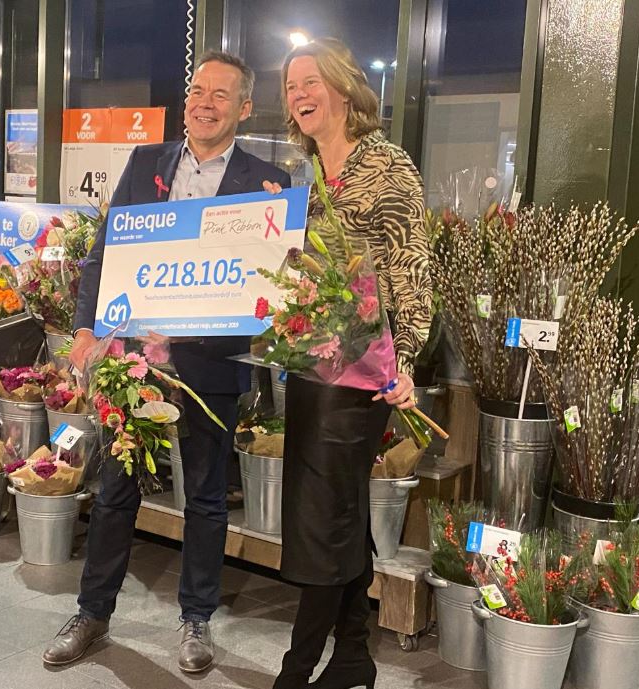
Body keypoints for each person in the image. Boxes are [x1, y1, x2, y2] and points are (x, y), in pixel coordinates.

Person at [42, 51, 292, 674]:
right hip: (136, 363)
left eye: (220, 94)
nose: (204, 102)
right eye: (196, 90)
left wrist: (282, 229)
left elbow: (285, 276)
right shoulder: (147, 162)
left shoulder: (268, 178)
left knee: (206, 499)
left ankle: (196, 622)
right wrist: (83, 326)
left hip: (211, 365)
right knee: (115, 492)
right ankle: (93, 614)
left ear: (243, 108)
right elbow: (104, 253)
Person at [267, 38, 432, 689]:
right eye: (289, 86)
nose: (298, 94)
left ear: (341, 88)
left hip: (364, 366)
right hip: (309, 363)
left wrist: (410, 360)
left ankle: (296, 665)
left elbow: (409, 263)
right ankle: (356, 654)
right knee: (339, 510)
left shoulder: (385, 165)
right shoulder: (304, 174)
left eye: (308, 81)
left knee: (318, 511)